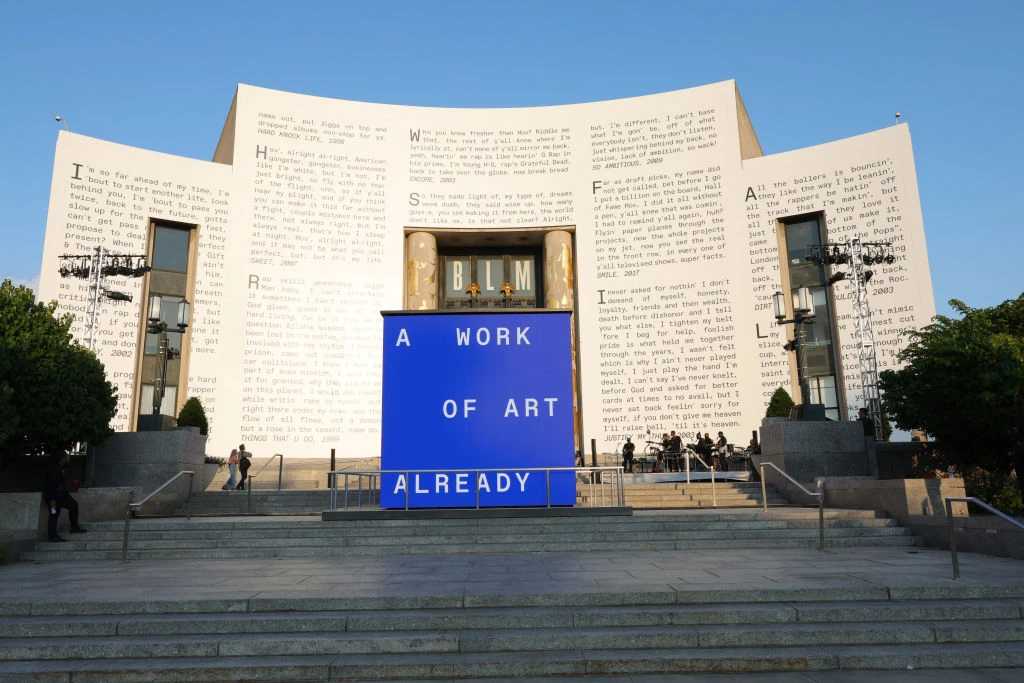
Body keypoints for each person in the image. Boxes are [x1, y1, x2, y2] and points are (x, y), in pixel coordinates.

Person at [43, 452, 86, 542]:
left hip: (62, 496)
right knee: (54, 514)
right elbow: (51, 485)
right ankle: (52, 536)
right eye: (67, 456)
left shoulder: (61, 468)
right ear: (63, 458)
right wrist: (52, 499)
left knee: (73, 505)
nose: (68, 457)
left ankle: (74, 527)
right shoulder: (54, 469)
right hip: (54, 498)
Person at [858, 408, 878, 479]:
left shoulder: (859, 421)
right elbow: (873, 431)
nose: (859, 413)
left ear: (863, 413)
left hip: (863, 439)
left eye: (860, 412)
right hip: (870, 438)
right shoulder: (870, 421)